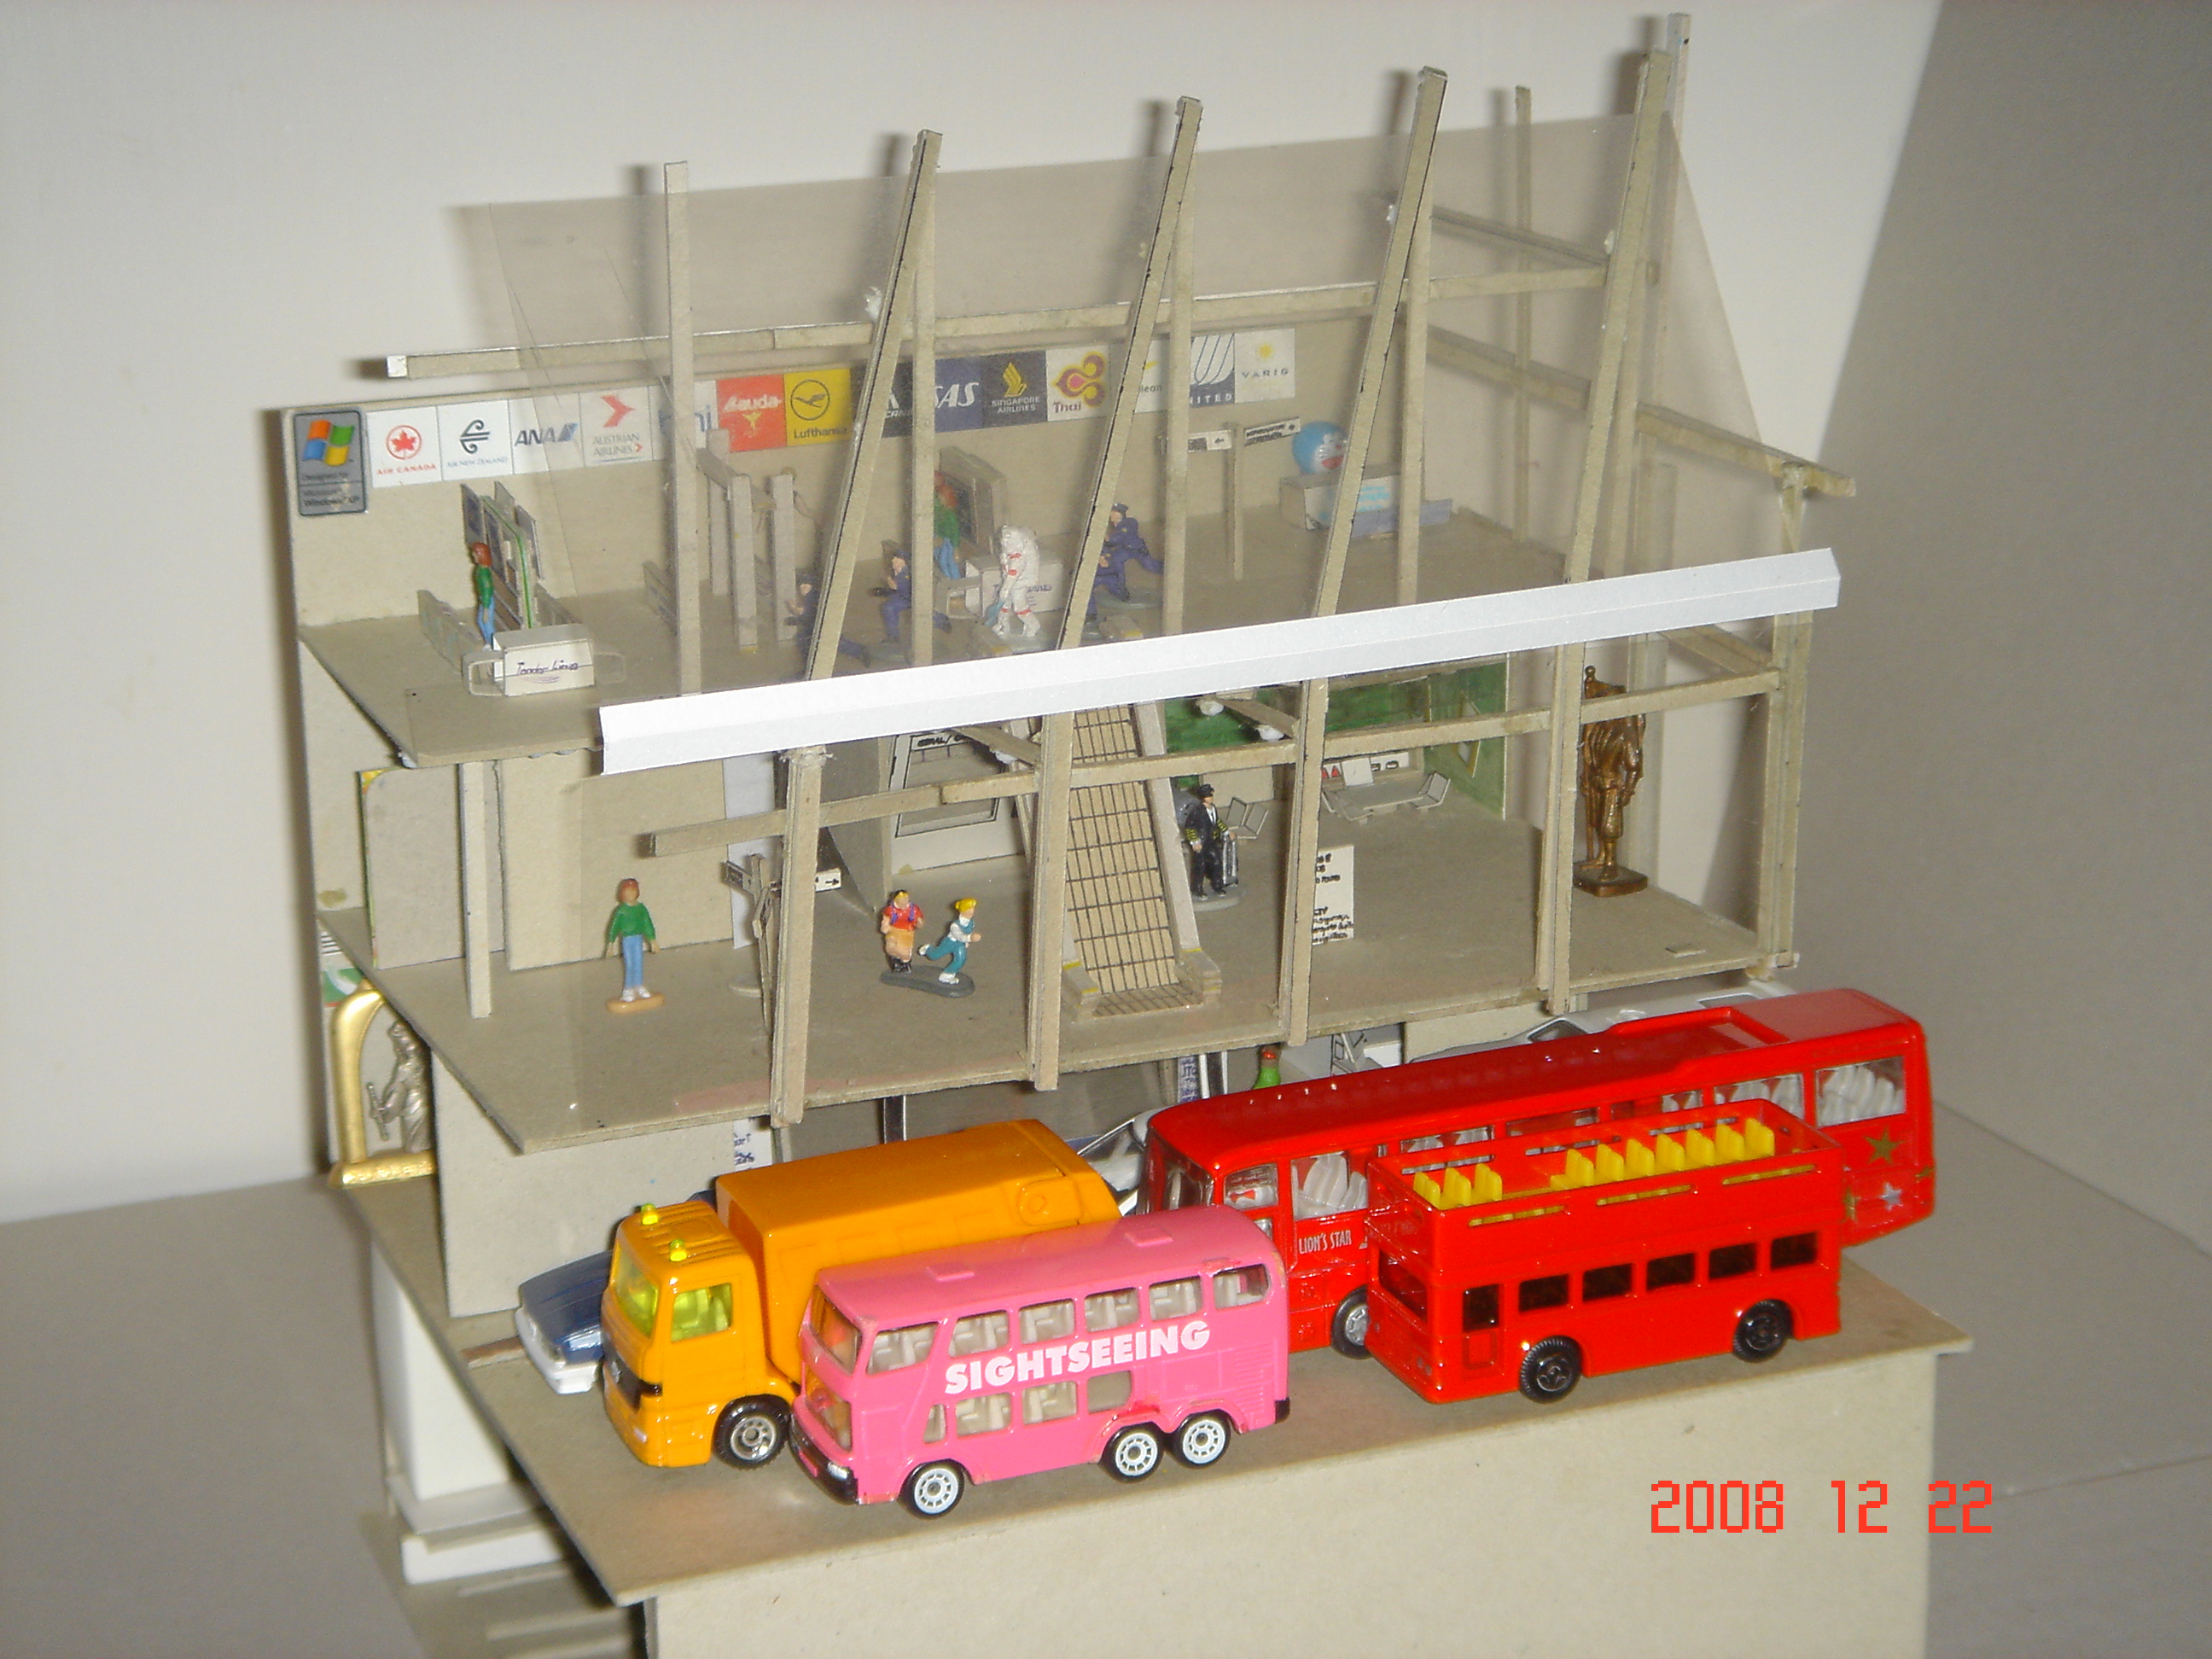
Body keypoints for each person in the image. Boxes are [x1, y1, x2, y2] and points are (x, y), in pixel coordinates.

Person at [603, 878, 659, 1004]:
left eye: (633, 891)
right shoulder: (621, 910)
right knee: (629, 964)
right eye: (628, 891)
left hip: (638, 938)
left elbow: (647, 924)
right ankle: (628, 988)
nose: (631, 894)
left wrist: (652, 940)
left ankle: (638, 985)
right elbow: (614, 927)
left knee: (638, 962)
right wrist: (610, 943)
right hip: (627, 940)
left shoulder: (641, 909)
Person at [1097, 504, 1161, 602]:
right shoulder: (1118, 524)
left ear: (1119, 514)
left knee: (1150, 565)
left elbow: (1114, 539)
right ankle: (1121, 589)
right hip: (1124, 549)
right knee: (1116, 563)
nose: (1110, 515)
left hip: (1137, 549)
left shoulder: (1128, 524)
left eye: (1113, 513)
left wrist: (1103, 534)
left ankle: (1168, 569)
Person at [1180, 783, 1228, 898]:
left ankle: (1217, 886)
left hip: (1212, 841)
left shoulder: (1213, 808)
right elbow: (1189, 827)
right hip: (1201, 843)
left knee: (1217, 862)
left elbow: (1216, 822)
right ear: (1203, 798)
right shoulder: (1196, 811)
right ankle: (1197, 889)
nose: (1211, 797)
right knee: (1200, 866)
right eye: (1208, 795)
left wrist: (1226, 831)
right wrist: (1195, 842)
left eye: (1211, 795)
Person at [918, 898, 978, 985]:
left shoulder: (971, 923)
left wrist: (967, 941)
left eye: (973, 909)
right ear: (962, 911)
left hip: (960, 945)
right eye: (969, 909)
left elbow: (967, 933)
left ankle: (947, 975)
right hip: (950, 943)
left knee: (960, 960)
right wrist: (970, 938)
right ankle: (928, 949)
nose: (972, 911)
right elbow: (960, 936)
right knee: (934, 956)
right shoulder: (955, 925)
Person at [879, 889, 922, 974]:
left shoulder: (913, 909)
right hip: (893, 930)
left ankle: (906, 964)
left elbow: (918, 919)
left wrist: (919, 922)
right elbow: (886, 919)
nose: (904, 902)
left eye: (906, 899)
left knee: (904, 951)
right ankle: (896, 963)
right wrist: (885, 926)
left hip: (906, 931)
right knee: (891, 948)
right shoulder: (890, 910)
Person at [469, 540, 498, 646]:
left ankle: (493, 644)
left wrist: (486, 607)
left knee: (487, 623)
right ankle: (489, 643)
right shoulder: (480, 569)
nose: (473, 556)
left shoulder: (484, 572)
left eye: (475, 554)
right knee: (481, 622)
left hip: (487, 600)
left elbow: (487, 589)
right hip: (483, 599)